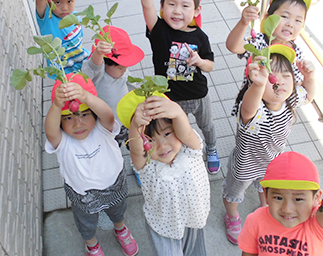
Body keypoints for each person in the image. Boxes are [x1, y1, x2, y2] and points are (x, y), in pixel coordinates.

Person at [222, 44, 316, 245]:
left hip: (272, 162)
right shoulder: (255, 110)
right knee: (234, 192)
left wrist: (309, 76)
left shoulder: (291, 100)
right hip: (245, 164)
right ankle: (231, 216)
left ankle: (265, 209)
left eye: (286, 75)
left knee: (266, 187)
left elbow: (309, 95)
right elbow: (248, 109)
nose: (279, 81)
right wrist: (257, 85)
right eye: (271, 76)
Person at [137, 0, 220, 174]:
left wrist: (199, 61)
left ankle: (211, 148)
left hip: (199, 94)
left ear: (196, 10)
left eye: (185, 6)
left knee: (207, 126)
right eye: (171, 4)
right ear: (162, 7)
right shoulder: (159, 31)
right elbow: (147, 3)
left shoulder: (200, 36)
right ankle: (181, 152)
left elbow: (210, 66)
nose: (177, 11)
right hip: (170, 98)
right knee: (174, 129)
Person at [44, 73, 138, 256]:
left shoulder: (103, 128)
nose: (78, 123)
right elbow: (50, 131)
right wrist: (56, 105)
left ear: (94, 114)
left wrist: (86, 96)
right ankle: (92, 244)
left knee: (118, 211)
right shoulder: (63, 142)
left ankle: (121, 229)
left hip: (115, 183)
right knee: (86, 222)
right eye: (68, 118)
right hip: (82, 193)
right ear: (61, 123)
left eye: (84, 114)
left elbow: (108, 115)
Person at [117, 89, 210, 256]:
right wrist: (135, 126)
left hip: (193, 218)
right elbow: (138, 151)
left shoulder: (191, 149)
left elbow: (186, 131)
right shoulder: (148, 165)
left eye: (167, 133)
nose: (162, 146)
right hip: (164, 226)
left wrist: (177, 112)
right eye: (150, 140)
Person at [238, 151, 323, 255]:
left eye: (298, 199)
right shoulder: (256, 220)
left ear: (316, 197)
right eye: (278, 198)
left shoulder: (316, 224)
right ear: (266, 195)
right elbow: (249, 252)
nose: (287, 209)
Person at [226, 0, 312, 116]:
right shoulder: (259, 42)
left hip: (279, 111)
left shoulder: (296, 52)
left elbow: (298, 85)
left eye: (298, 20)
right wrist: (243, 22)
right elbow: (233, 46)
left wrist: (308, 75)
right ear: (267, 17)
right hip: (252, 109)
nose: (290, 24)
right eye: (284, 16)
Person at [81, 25, 145, 186]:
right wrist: (98, 53)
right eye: (120, 67)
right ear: (105, 63)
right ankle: (114, 173)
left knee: (136, 145)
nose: (125, 70)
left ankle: (137, 167)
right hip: (107, 127)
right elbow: (92, 66)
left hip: (126, 120)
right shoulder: (98, 74)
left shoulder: (122, 72)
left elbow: (129, 83)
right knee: (111, 151)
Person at [32, 0, 89, 75]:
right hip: (64, 72)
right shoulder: (47, 19)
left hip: (83, 61)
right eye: (57, 2)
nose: (65, 8)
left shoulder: (75, 17)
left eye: (69, 1)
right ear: (49, 0)